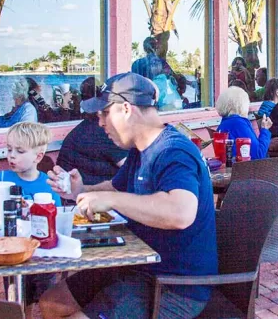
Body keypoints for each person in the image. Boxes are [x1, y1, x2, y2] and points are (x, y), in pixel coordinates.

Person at [40, 72, 218, 319]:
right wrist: (79, 191)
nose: (100, 122)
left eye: (104, 113)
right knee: (51, 302)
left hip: (173, 285)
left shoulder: (174, 151)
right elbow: (114, 188)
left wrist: (112, 201)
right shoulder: (139, 149)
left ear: (126, 109)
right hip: (134, 267)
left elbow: (180, 213)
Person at [0, 122, 61, 316]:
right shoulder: (1, 178)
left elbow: (55, 219)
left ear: (38, 156)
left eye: (20, 151)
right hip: (4, 247)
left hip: (38, 249)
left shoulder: (47, 185)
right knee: (8, 291)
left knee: (45, 288)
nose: (11, 156)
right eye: (9, 150)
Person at [56, 78, 128, 186]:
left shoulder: (88, 126)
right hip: (83, 192)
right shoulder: (103, 131)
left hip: (75, 189)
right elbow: (133, 170)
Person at [216, 86, 272, 160]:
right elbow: (258, 154)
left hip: (231, 164)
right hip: (245, 166)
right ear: (242, 105)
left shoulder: (224, 123)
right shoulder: (238, 123)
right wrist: (265, 130)